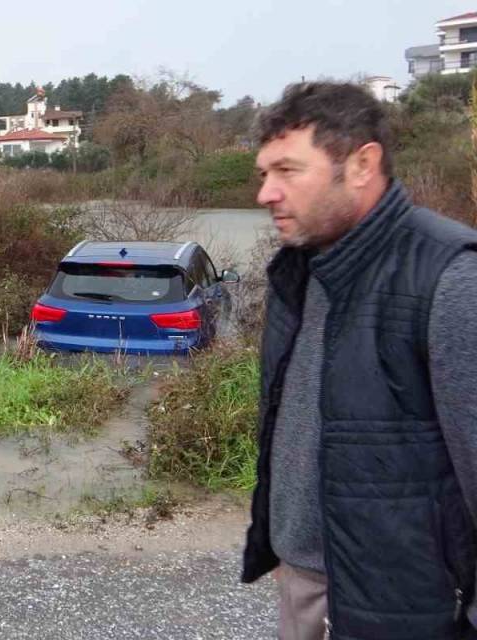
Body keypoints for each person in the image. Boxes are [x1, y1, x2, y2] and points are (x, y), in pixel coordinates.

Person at [242, 81, 477, 640]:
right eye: (263, 174)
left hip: (404, 603)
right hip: (309, 583)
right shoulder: (300, 272)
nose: (265, 194)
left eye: (288, 171)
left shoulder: (451, 280)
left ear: (362, 164)